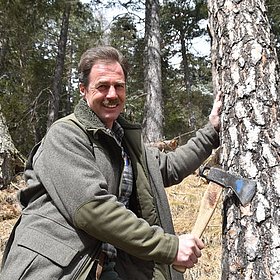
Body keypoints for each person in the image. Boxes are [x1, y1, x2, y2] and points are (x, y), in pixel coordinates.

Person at [0, 46, 221, 280]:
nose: (112, 94)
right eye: (102, 86)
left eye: (119, 86)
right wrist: (170, 247)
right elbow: (93, 209)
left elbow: (171, 166)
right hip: (59, 271)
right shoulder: (65, 135)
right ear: (84, 90)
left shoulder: (123, 141)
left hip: (107, 268)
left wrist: (212, 130)